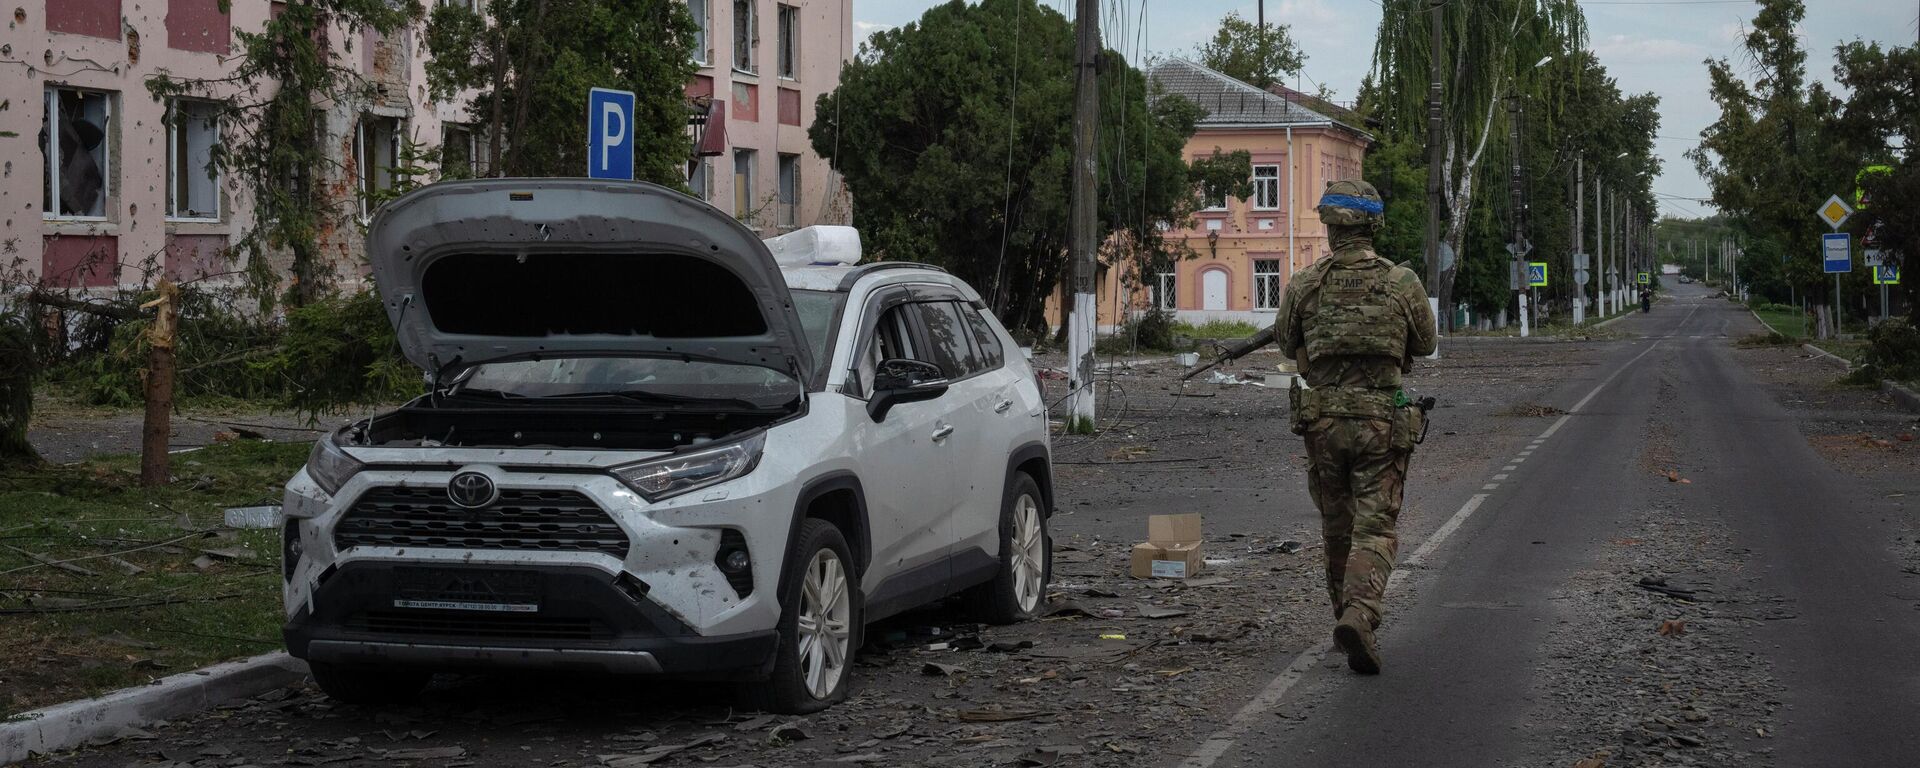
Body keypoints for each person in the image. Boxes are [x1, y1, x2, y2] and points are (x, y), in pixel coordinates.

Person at [1272, 180, 1437, 674]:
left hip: (1321, 423)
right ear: (1373, 225)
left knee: (1336, 527)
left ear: (1328, 226)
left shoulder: (1304, 283)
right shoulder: (1400, 281)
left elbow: (1285, 343)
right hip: (1380, 424)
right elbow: (1425, 343)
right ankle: (1360, 614)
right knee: (1376, 526)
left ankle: (1344, 617)